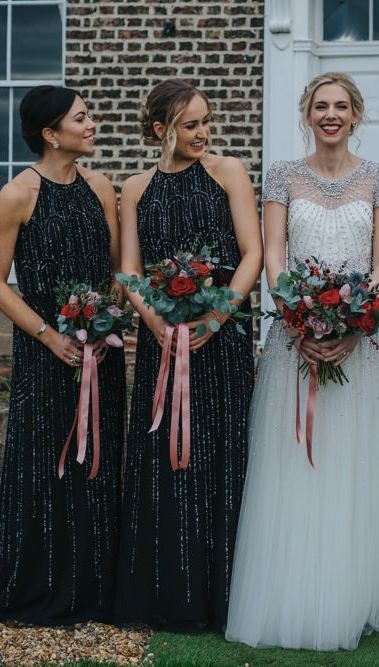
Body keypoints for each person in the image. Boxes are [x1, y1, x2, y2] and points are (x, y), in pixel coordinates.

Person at [225, 72, 379, 651]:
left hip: (360, 345)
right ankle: (292, 591)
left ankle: (366, 589)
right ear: (306, 113)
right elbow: (273, 256)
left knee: (361, 465)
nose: (330, 115)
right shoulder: (281, 176)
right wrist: (296, 320)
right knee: (294, 465)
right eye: (320, 106)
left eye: (340, 106)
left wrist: (353, 324)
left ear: (355, 114)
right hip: (292, 346)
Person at [114, 79, 262, 629]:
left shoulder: (228, 172)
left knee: (220, 453)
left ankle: (222, 597)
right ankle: (161, 594)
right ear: (161, 130)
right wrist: (152, 319)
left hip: (218, 340)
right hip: (161, 341)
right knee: (162, 457)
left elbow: (253, 254)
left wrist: (219, 314)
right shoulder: (134, 186)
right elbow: (129, 269)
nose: (204, 132)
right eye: (191, 124)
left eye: (207, 121)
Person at [0, 85, 125, 625]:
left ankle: (92, 587)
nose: (92, 125)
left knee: (96, 462)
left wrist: (105, 319)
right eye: (82, 118)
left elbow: (114, 269)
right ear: (50, 133)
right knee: (46, 462)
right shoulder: (17, 194)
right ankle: (39, 585)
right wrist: (50, 334)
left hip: (99, 353)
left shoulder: (99, 185)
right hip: (46, 351)